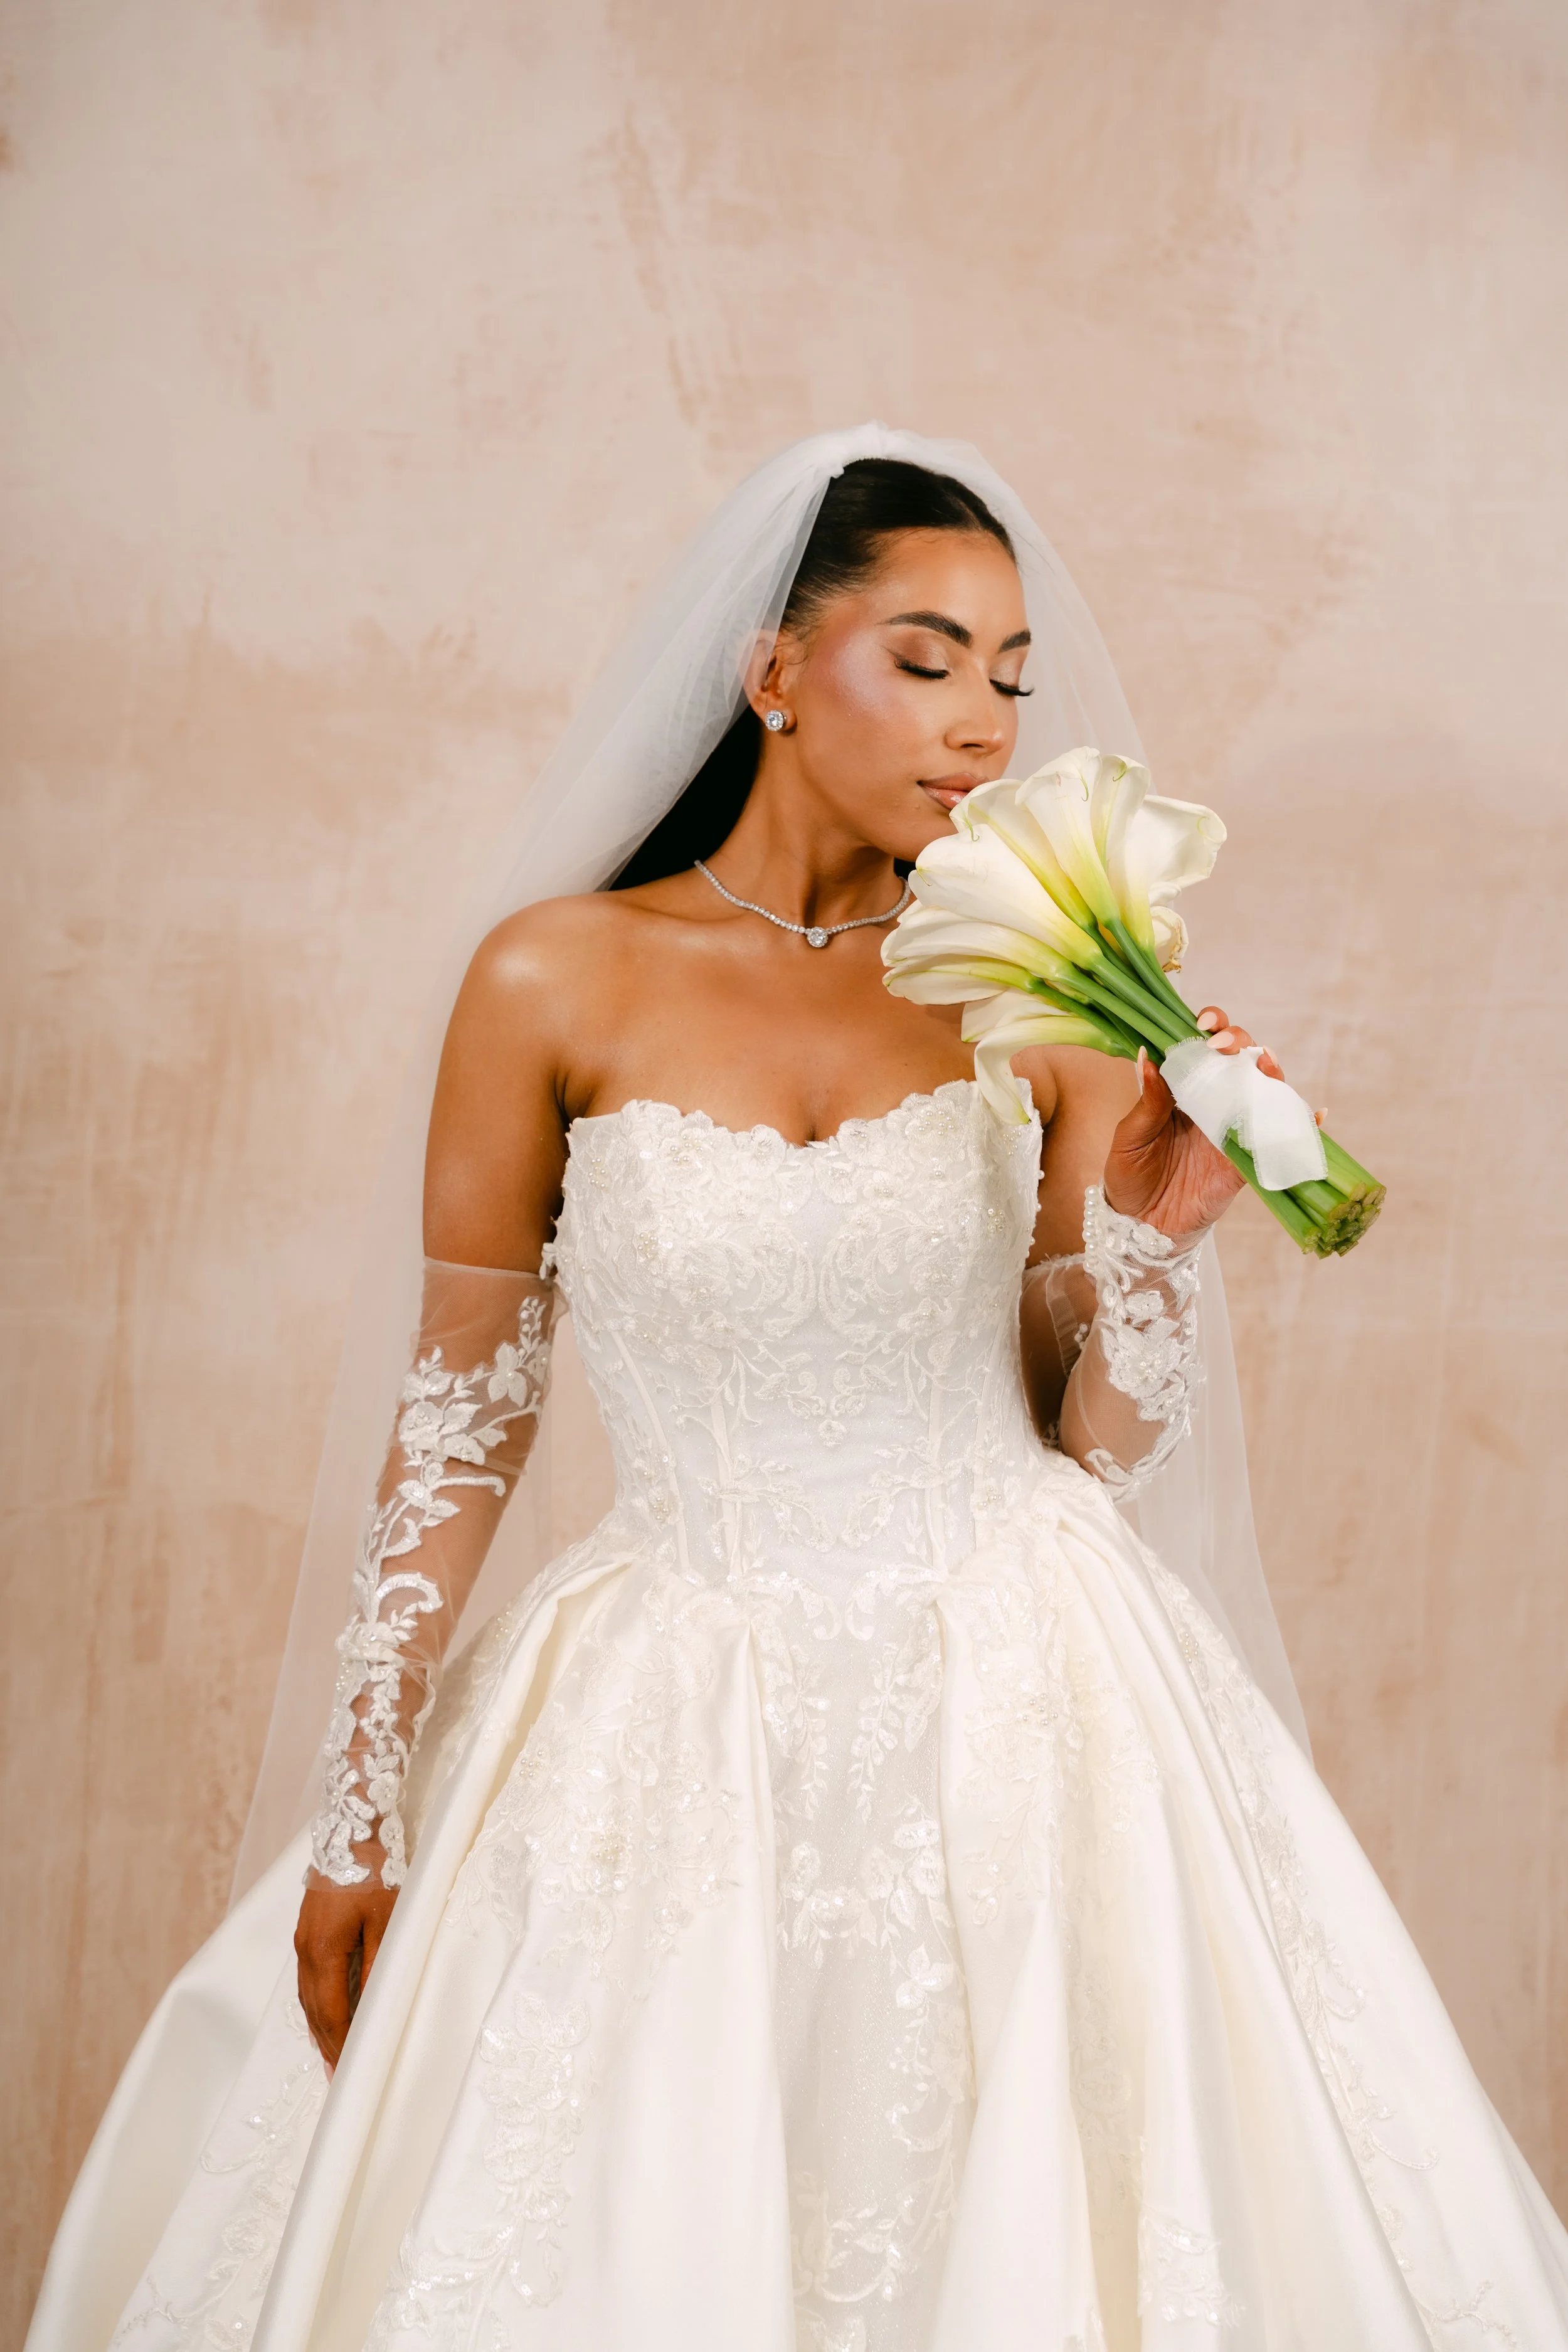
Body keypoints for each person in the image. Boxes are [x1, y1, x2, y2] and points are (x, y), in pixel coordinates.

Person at [28, 430, 1568, 2351]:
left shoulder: (1051, 983)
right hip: (672, 1697)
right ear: (771, 672)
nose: (980, 720)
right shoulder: (551, 977)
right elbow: (463, 1417)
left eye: (1008, 673)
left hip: (1031, 1694)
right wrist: (360, 1805)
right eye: (924, 660)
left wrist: (1161, 1239)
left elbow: (1077, 1440)